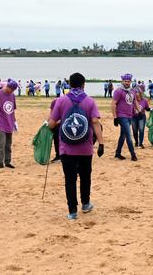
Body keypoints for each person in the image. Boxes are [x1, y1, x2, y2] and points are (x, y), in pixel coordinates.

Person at [48, 72, 105, 220]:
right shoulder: (90, 101)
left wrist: (58, 123)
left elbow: (51, 124)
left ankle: (72, 211)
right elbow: (95, 123)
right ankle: (85, 204)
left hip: (66, 148)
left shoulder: (61, 101)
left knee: (70, 179)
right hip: (85, 148)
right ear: (83, 84)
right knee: (86, 177)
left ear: (69, 84)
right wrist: (101, 143)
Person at [112, 74, 138, 161]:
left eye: (128, 81)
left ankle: (118, 153)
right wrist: (115, 117)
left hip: (130, 116)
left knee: (122, 135)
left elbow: (135, 102)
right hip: (121, 116)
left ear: (131, 81)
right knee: (128, 135)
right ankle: (133, 154)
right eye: (125, 81)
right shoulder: (119, 91)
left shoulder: (132, 91)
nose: (127, 83)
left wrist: (141, 110)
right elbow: (113, 103)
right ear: (122, 81)